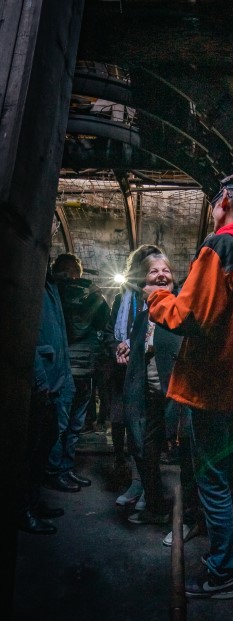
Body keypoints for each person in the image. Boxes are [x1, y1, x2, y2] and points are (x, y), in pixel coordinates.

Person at [146, 172, 233, 599]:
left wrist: (156, 297)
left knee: (212, 481)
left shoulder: (221, 246)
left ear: (223, 201)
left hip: (212, 391)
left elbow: (189, 317)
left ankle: (221, 573)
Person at [122, 252, 201, 536]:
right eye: (153, 271)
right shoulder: (143, 317)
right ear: (144, 279)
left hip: (179, 398)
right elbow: (143, 352)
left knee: (188, 458)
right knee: (144, 450)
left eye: (165, 270)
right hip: (150, 398)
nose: (161, 275)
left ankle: (191, 518)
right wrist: (128, 349)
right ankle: (155, 507)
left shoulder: (181, 310)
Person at [17, 216, 75, 534]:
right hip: (39, 378)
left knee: (44, 443)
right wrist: (39, 379)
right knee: (29, 449)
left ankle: (33, 500)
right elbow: (24, 335)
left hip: (53, 375)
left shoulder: (47, 279)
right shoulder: (24, 271)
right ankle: (22, 509)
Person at [44, 253, 110, 492]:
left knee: (59, 426)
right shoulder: (93, 293)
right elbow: (105, 323)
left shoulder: (54, 293)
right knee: (73, 426)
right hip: (86, 368)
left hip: (61, 369)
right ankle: (63, 470)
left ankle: (57, 471)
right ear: (78, 271)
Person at [103, 244, 163, 505]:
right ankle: (133, 479)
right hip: (123, 374)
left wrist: (137, 348)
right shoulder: (122, 299)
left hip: (148, 376)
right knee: (124, 425)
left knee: (144, 434)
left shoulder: (162, 299)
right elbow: (109, 332)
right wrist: (118, 346)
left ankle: (144, 486)